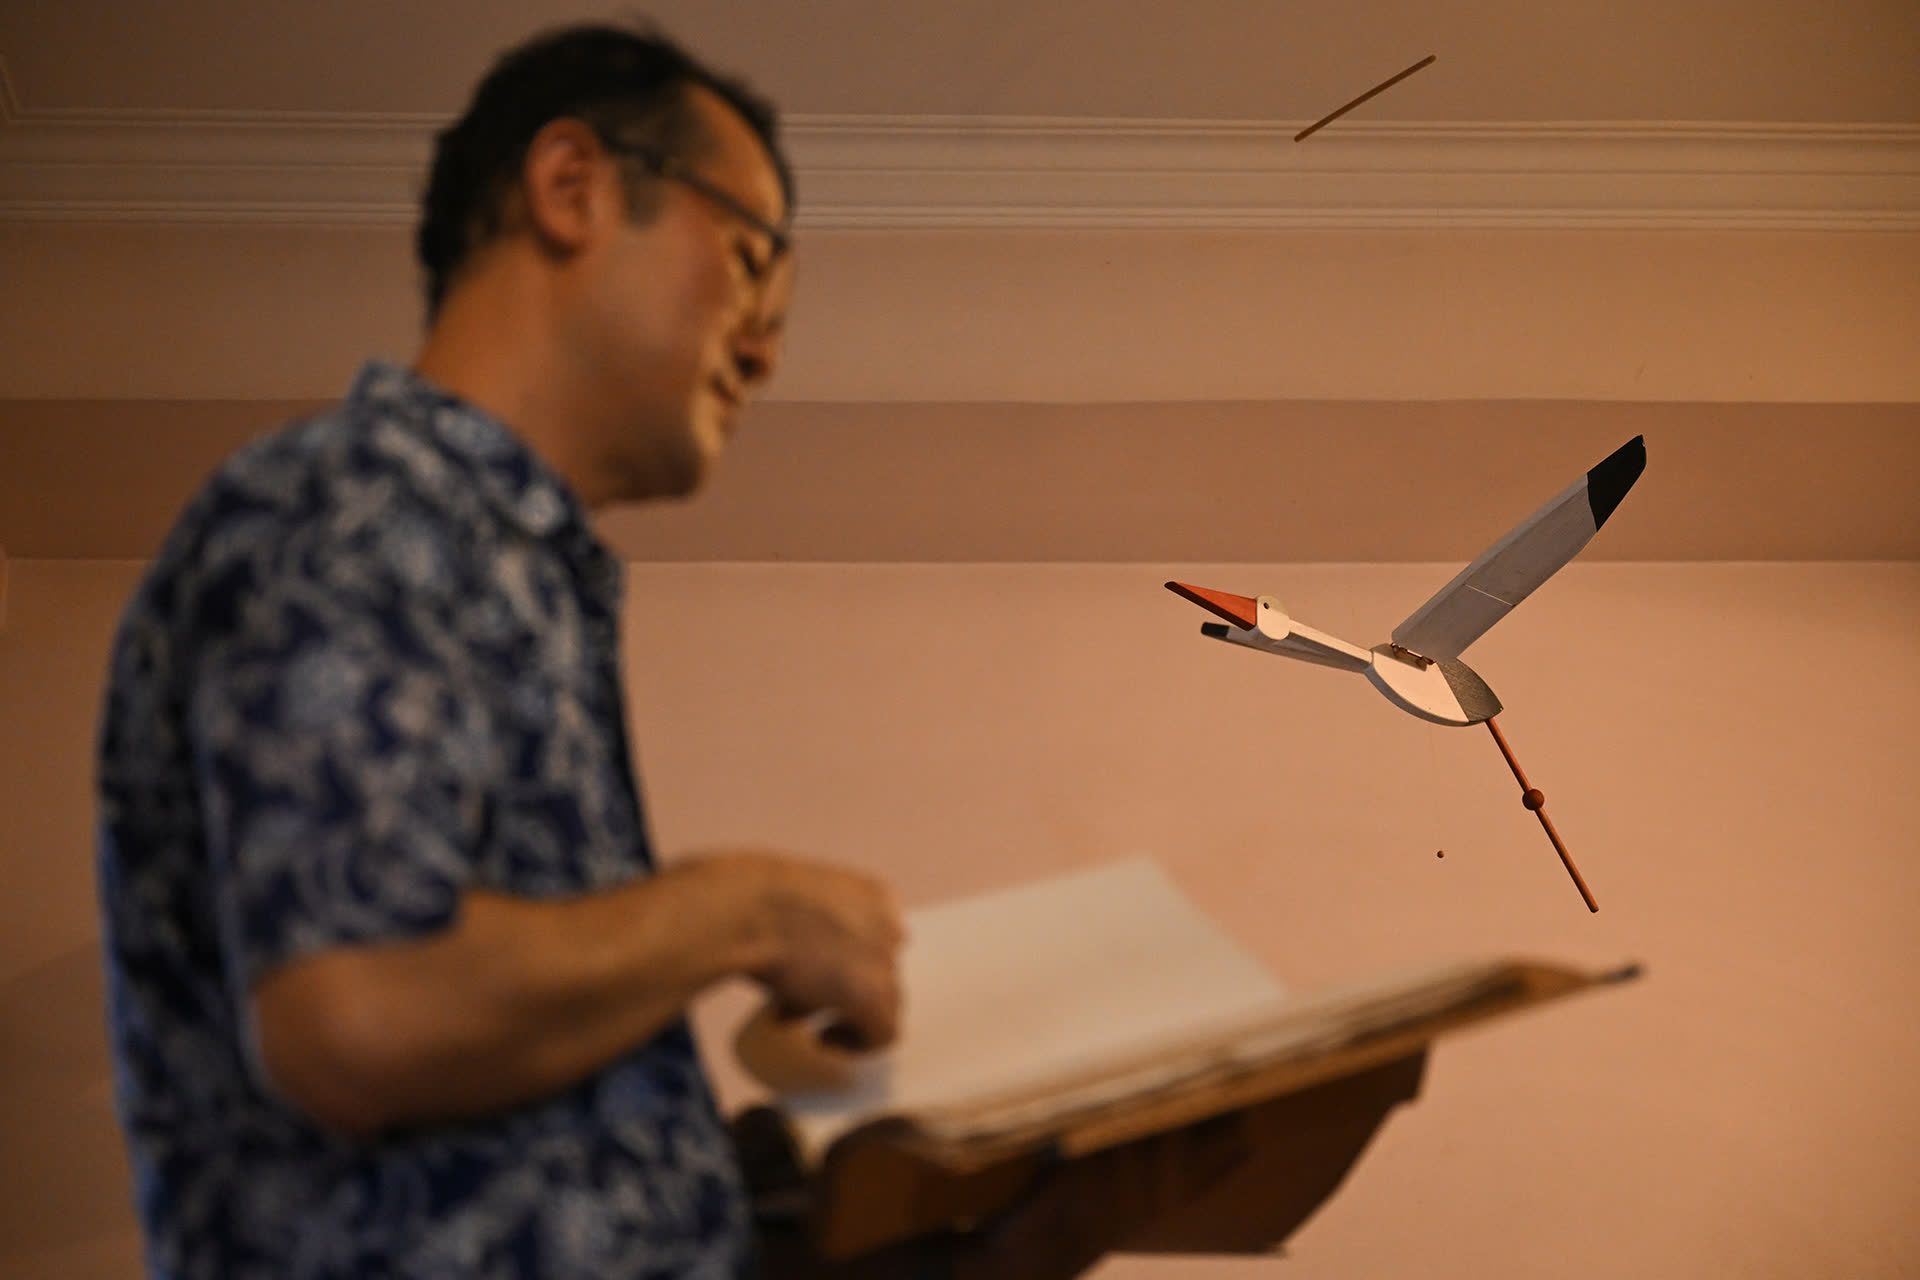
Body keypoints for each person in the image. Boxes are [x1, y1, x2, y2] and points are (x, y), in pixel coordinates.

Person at [95, 22, 904, 1278]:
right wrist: (751, 907)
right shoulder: (349, 501)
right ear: (572, 187)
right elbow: (357, 1014)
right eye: (748, 265)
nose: (765, 350)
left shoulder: (523, 579)